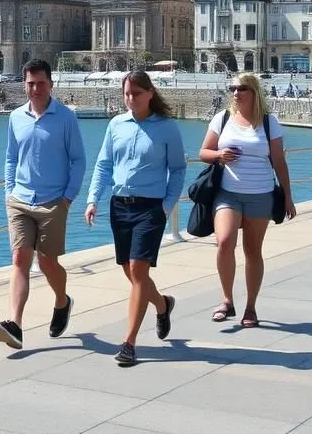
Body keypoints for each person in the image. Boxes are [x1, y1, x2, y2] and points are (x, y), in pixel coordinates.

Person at [84, 71, 186, 366]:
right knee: (131, 273)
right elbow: (104, 165)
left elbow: (178, 169)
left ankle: (129, 342)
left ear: (150, 94)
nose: (131, 100)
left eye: (136, 94)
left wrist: (167, 205)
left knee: (139, 271)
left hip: (151, 208)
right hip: (120, 206)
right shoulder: (116, 124)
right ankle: (163, 304)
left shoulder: (167, 128)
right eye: (127, 94)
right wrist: (93, 200)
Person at [0, 59, 85, 350]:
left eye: (40, 83)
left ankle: (62, 300)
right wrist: (9, 190)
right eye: (30, 83)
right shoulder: (15, 117)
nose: (35, 88)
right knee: (20, 259)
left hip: (53, 201)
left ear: (51, 84)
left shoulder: (66, 118)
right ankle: (15, 325)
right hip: (19, 200)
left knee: (47, 262)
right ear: (24, 84)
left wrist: (68, 198)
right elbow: (10, 157)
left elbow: (78, 160)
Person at [197, 73, 296, 329]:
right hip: (227, 192)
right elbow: (203, 152)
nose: (236, 93)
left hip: (260, 193)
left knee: (253, 252)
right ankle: (227, 300)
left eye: (241, 88)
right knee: (225, 242)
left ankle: (250, 307)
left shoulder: (269, 122)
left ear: (254, 92)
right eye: (232, 88)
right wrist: (219, 154)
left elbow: (279, 162)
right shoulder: (223, 118)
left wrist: (288, 196)